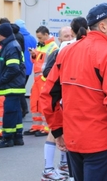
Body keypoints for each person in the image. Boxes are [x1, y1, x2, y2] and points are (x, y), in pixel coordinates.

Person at [40, 3, 107, 181]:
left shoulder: (67, 52)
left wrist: (58, 130)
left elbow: (48, 95)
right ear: (103, 26)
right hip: (101, 141)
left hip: (74, 139)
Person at [40, 26, 74, 181]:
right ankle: (48, 169)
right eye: (66, 36)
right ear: (60, 38)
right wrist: (60, 69)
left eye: (71, 35)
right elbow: (47, 72)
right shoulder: (57, 52)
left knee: (65, 131)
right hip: (57, 98)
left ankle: (64, 164)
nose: (69, 38)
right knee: (54, 132)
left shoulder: (74, 50)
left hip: (68, 98)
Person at [0, 23, 26, 148]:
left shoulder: (10, 47)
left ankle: (7, 138)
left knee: (10, 112)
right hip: (14, 85)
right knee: (15, 111)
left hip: (11, 85)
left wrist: (1, 80)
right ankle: (17, 136)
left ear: (2, 35)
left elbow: (13, 68)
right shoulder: (10, 45)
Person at [24, 26, 58, 136]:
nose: (39, 40)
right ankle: (37, 125)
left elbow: (51, 65)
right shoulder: (41, 46)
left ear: (46, 35)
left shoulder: (53, 47)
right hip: (38, 79)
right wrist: (33, 55)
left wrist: (45, 78)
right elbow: (37, 61)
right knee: (35, 102)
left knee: (44, 103)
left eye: (40, 37)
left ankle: (46, 127)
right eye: (38, 38)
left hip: (44, 79)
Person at [14, 19, 37, 117]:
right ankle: (23, 108)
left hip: (20, 66)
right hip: (29, 67)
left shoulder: (17, 37)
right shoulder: (32, 38)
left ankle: (24, 109)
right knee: (21, 88)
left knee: (19, 89)